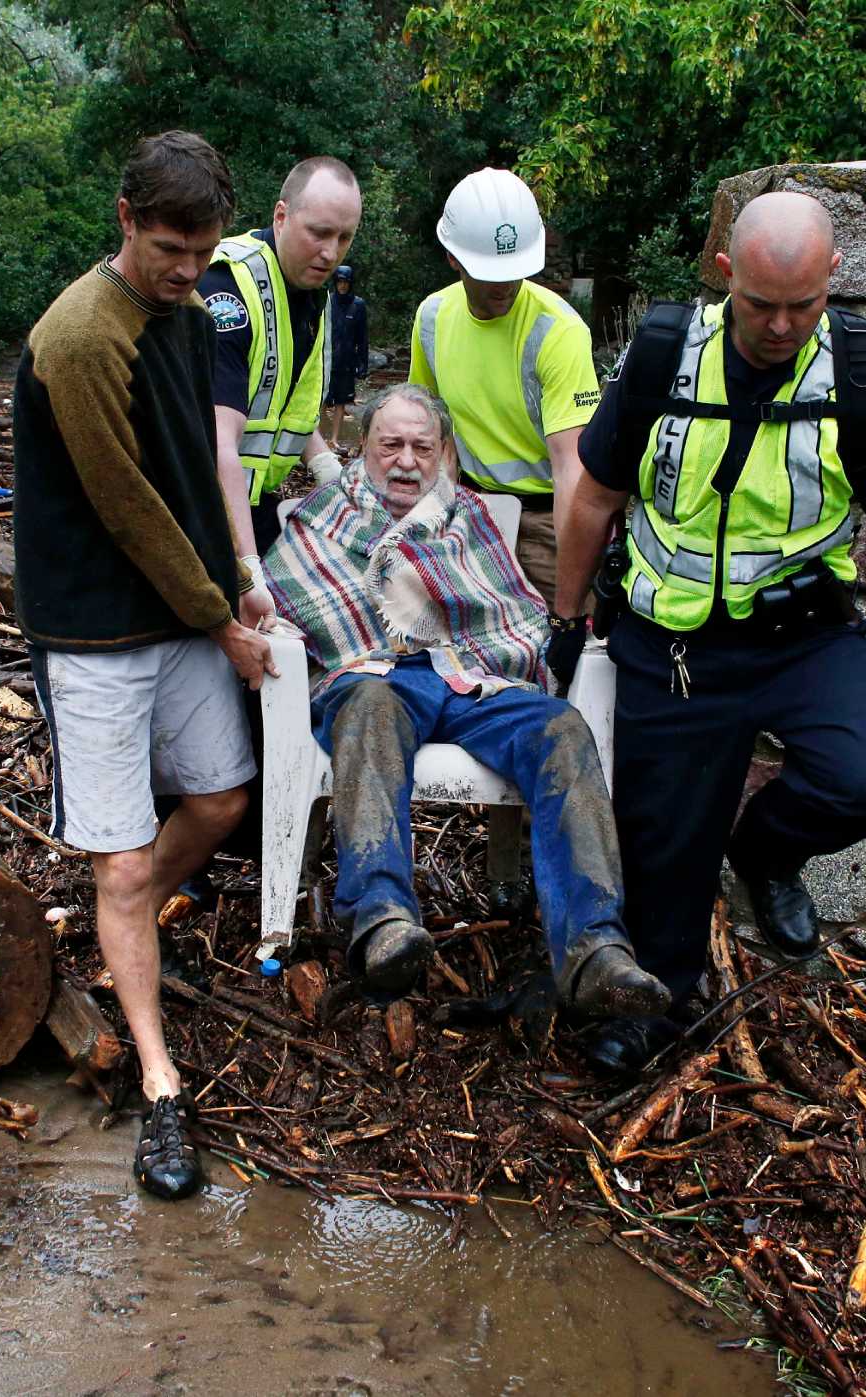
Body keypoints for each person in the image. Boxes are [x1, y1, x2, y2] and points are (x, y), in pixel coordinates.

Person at [551, 191, 866, 1074]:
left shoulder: (861, 366)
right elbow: (592, 493)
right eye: (760, 304)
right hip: (677, 645)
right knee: (664, 848)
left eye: (802, 304)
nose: (780, 325)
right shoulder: (665, 354)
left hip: (804, 634)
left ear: (834, 281)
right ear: (725, 274)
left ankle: (766, 850)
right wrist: (568, 610)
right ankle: (657, 1007)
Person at [11, 130, 274, 1201]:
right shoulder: (78, 336)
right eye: (169, 247)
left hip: (184, 613)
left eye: (203, 251)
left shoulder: (192, 308)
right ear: (124, 217)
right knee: (119, 864)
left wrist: (239, 577)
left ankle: (115, 935)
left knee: (217, 798)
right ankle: (162, 1086)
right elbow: (125, 505)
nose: (185, 269)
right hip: (94, 630)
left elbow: (196, 464)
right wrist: (220, 617)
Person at [263, 383, 669, 1018]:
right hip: (371, 675)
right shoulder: (321, 516)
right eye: (389, 444)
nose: (406, 460)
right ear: (362, 448)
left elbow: (507, 611)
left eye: (422, 447)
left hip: (470, 675)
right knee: (368, 704)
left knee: (561, 726)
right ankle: (383, 921)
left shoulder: (468, 515)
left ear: (442, 452)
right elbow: (290, 596)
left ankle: (597, 952)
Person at [409, 168, 601, 607]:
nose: (505, 284)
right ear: (454, 259)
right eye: (489, 271)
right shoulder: (433, 318)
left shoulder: (557, 331)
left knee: (566, 633)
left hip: (547, 513)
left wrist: (571, 605)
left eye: (515, 269)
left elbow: (570, 467)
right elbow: (433, 434)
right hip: (469, 504)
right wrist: (433, 521)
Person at [197, 156, 362, 618]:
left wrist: (327, 466)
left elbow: (278, 403)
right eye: (319, 233)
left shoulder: (311, 292)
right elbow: (218, 444)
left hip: (253, 499)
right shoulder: (230, 289)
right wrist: (248, 568)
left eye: (344, 237)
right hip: (202, 507)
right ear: (281, 215)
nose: (331, 253)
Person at [320, 263, 370, 448]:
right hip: (326, 359)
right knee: (323, 400)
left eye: (345, 282)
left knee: (341, 401)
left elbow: (362, 336)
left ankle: (334, 439)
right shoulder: (327, 301)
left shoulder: (358, 305)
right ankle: (321, 438)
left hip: (346, 360)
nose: (342, 286)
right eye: (339, 282)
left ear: (350, 284)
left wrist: (362, 362)